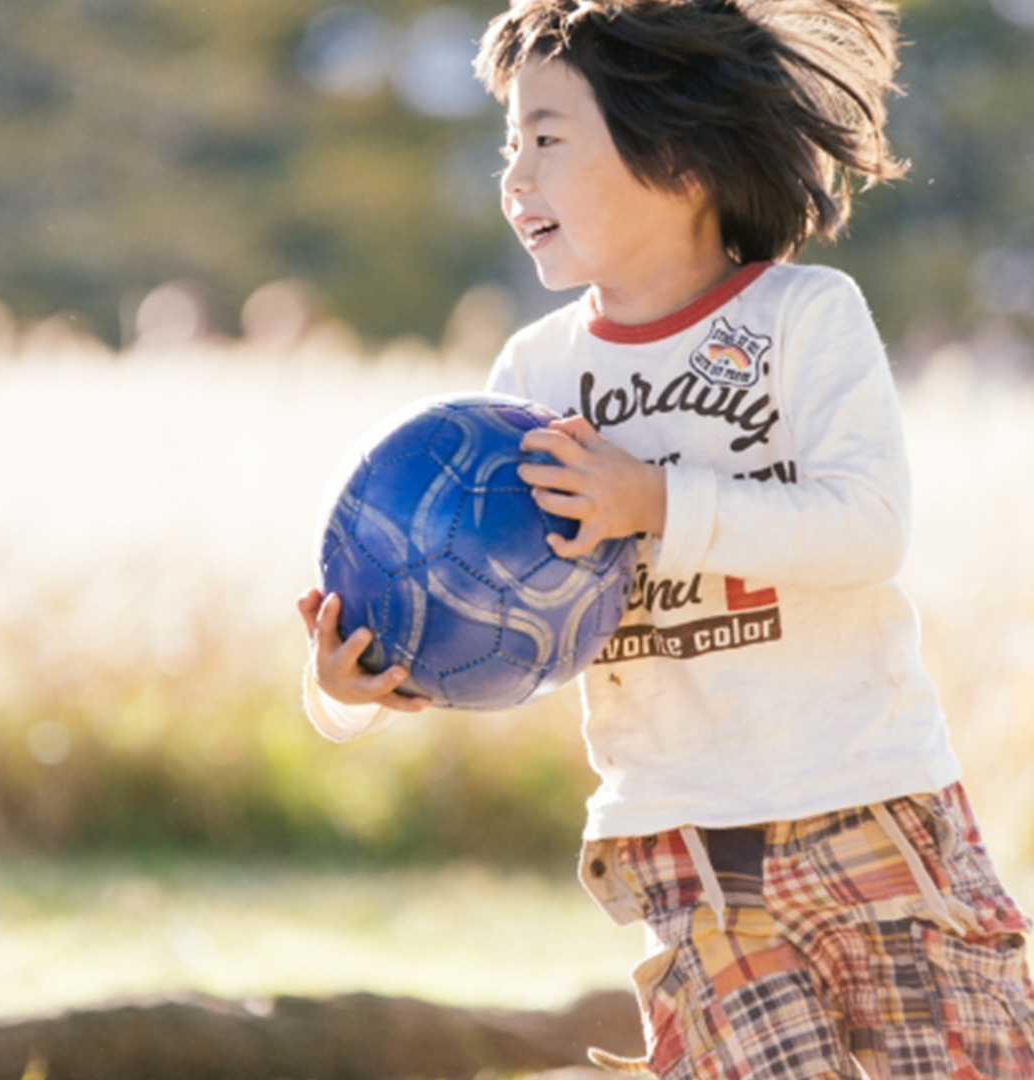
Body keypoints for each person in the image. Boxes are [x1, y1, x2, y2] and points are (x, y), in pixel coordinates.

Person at [298, 0, 1034, 1075]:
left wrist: (658, 503)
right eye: (510, 148)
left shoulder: (801, 318)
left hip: (870, 797)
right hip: (685, 841)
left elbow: (869, 528)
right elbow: (493, 621)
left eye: (547, 139)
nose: (515, 180)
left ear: (679, 156)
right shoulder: (532, 383)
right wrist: (356, 692)